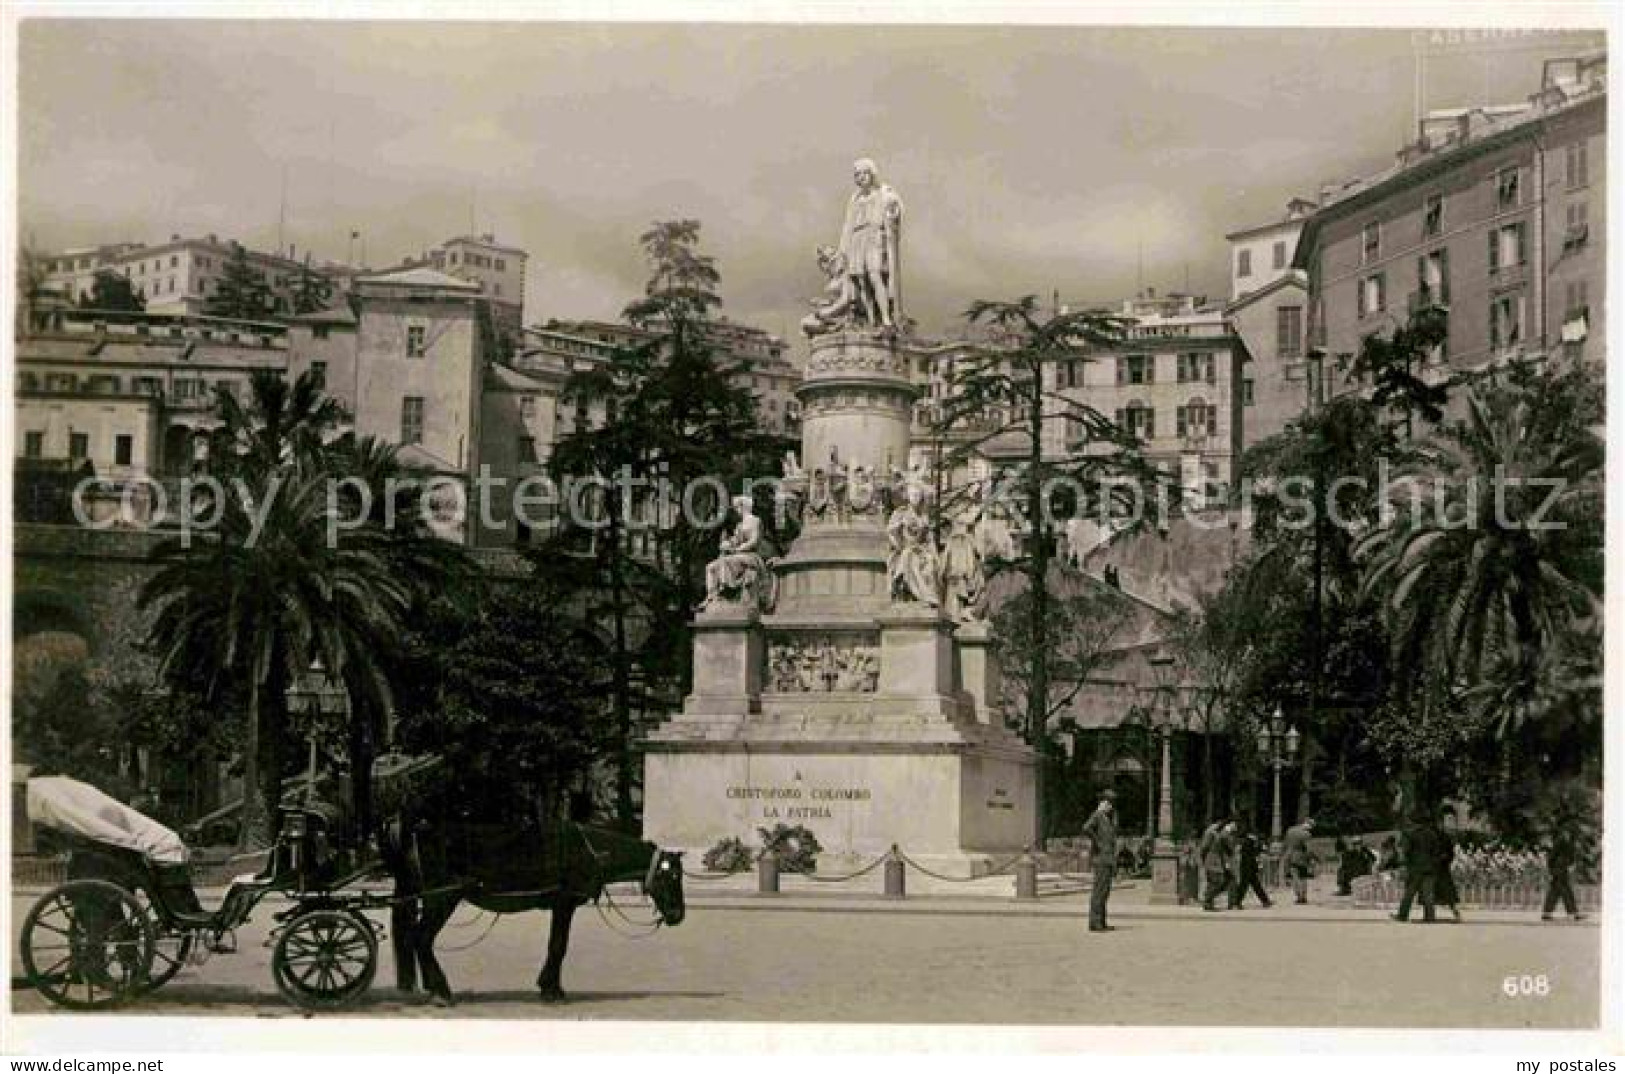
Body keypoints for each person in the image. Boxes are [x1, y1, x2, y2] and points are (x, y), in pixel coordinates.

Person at [837, 158, 904, 329]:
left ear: (871, 174)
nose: (859, 178)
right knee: (861, 280)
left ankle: (885, 317)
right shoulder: (855, 199)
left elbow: (896, 209)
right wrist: (843, 249)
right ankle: (871, 319)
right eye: (856, 175)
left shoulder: (883, 192)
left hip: (874, 236)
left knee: (875, 275)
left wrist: (894, 212)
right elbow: (847, 225)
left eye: (862, 173)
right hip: (857, 238)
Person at [1392, 812, 1441, 923]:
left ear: (1413, 821)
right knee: (1428, 893)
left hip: (1415, 868)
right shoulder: (1432, 834)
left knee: (1409, 893)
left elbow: (1406, 850)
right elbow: (1437, 851)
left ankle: (1402, 915)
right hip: (1430, 868)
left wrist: (1404, 864)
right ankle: (1430, 916)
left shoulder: (1410, 834)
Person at [1080, 791, 1119, 932]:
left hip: (1107, 859)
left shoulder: (1107, 818)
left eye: (1111, 804)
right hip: (1101, 859)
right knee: (1099, 891)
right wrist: (1097, 843)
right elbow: (1086, 828)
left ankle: (1101, 921)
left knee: (1104, 892)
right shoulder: (1097, 815)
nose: (1110, 807)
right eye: (1108, 803)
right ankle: (1095, 923)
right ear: (1102, 803)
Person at [1541, 819, 1586, 922]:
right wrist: (1551, 870)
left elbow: (1570, 856)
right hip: (1558, 869)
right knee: (1565, 891)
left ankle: (1546, 913)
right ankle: (1573, 913)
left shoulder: (1568, 840)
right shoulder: (1561, 840)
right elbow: (1552, 856)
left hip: (1562, 869)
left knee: (1555, 891)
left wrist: (1570, 865)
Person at [1230, 825, 1272, 909]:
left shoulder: (1248, 841)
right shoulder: (1249, 842)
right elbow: (1252, 853)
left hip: (1248, 866)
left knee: (1255, 885)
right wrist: (1260, 849)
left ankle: (1265, 900)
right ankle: (1237, 902)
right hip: (1248, 866)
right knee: (1245, 886)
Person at [1434, 812, 1464, 923]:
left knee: (1449, 894)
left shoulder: (1445, 837)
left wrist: (1445, 858)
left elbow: (1451, 853)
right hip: (1435, 867)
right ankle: (1429, 914)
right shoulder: (1433, 836)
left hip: (1442, 868)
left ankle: (1456, 913)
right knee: (1430, 893)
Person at [1199, 819, 1232, 912]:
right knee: (1216, 881)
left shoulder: (1217, 833)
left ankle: (1208, 901)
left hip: (1216, 859)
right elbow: (1204, 847)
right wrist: (1203, 859)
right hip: (1211, 859)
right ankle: (1207, 901)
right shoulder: (1211, 832)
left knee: (1217, 881)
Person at [1281, 817, 1316, 904]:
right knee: (1303, 877)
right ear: (1308, 824)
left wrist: (1285, 855)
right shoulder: (1306, 834)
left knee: (1295, 877)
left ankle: (1298, 895)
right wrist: (1312, 859)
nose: (1311, 829)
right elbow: (1309, 849)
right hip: (1301, 857)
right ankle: (1303, 897)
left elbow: (1285, 844)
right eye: (1311, 826)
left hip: (1290, 856)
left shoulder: (1290, 830)